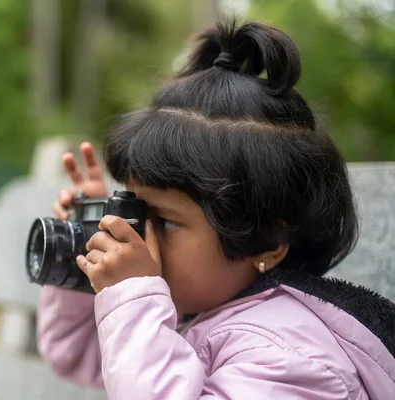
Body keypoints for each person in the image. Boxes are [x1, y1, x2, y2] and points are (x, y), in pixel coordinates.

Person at [37, 20, 395, 399]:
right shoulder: (200, 304)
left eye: (166, 221)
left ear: (268, 240)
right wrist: (91, 242)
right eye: (132, 210)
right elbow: (76, 353)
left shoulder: (290, 361)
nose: (136, 233)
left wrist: (132, 295)